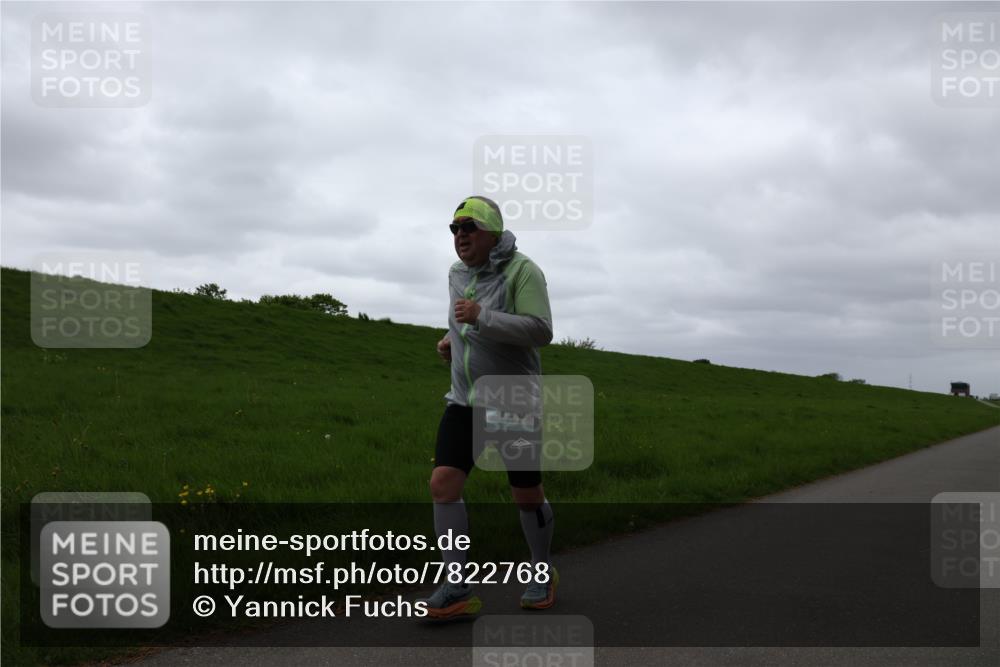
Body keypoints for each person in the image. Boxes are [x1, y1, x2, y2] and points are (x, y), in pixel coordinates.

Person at [421, 195, 557, 619]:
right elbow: (462, 321)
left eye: (469, 228)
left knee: (526, 496)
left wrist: (482, 317)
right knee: (443, 484)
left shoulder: (523, 271)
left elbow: (540, 330)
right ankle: (457, 586)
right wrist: (452, 340)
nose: (460, 235)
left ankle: (542, 570)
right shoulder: (456, 273)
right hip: (464, 401)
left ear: (492, 234)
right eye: (454, 229)